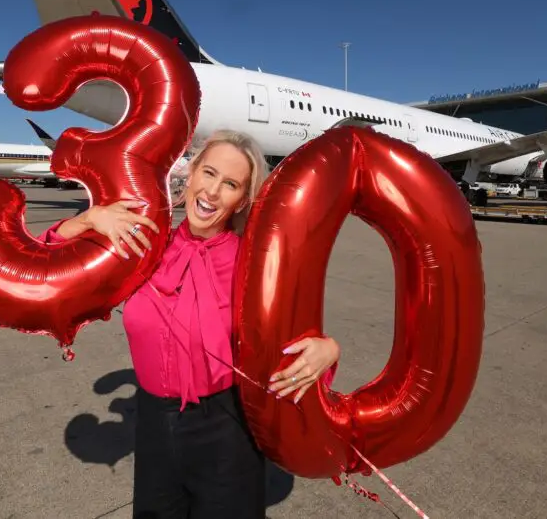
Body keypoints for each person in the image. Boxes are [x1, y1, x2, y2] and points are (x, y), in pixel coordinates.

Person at [39, 129, 341, 518]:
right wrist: (88, 220)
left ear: (242, 199)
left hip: (227, 428)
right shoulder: (145, 244)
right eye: (209, 173)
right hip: (153, 425)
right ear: (192, 172)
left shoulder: (254, 264)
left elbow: (292, 338)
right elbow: (45, 269)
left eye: (230, 184)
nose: (213, 191)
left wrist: (328, 349)